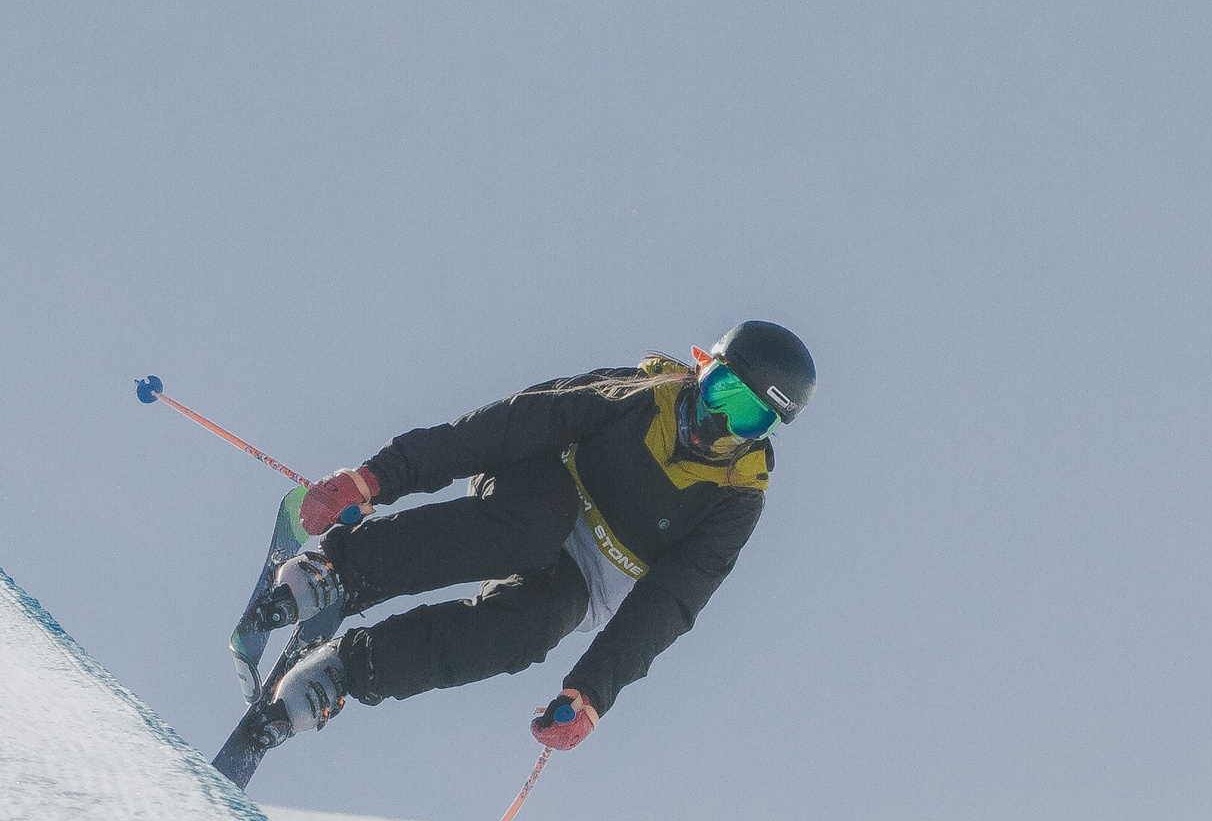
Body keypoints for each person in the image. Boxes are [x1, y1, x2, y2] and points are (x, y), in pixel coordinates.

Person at [244, 319, 813, 757]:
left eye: (747, 418)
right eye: (722, 392)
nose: (720, 423)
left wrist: (593, 693)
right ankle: (341, 573)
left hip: (588, 577)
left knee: (535, 628)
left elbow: (671, 601)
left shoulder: (736, 497)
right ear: (700, 367)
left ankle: (349, 667)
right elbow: (509, 426)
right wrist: (375, 479)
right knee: (533, 530)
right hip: (537, 490)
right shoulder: (646, 393)